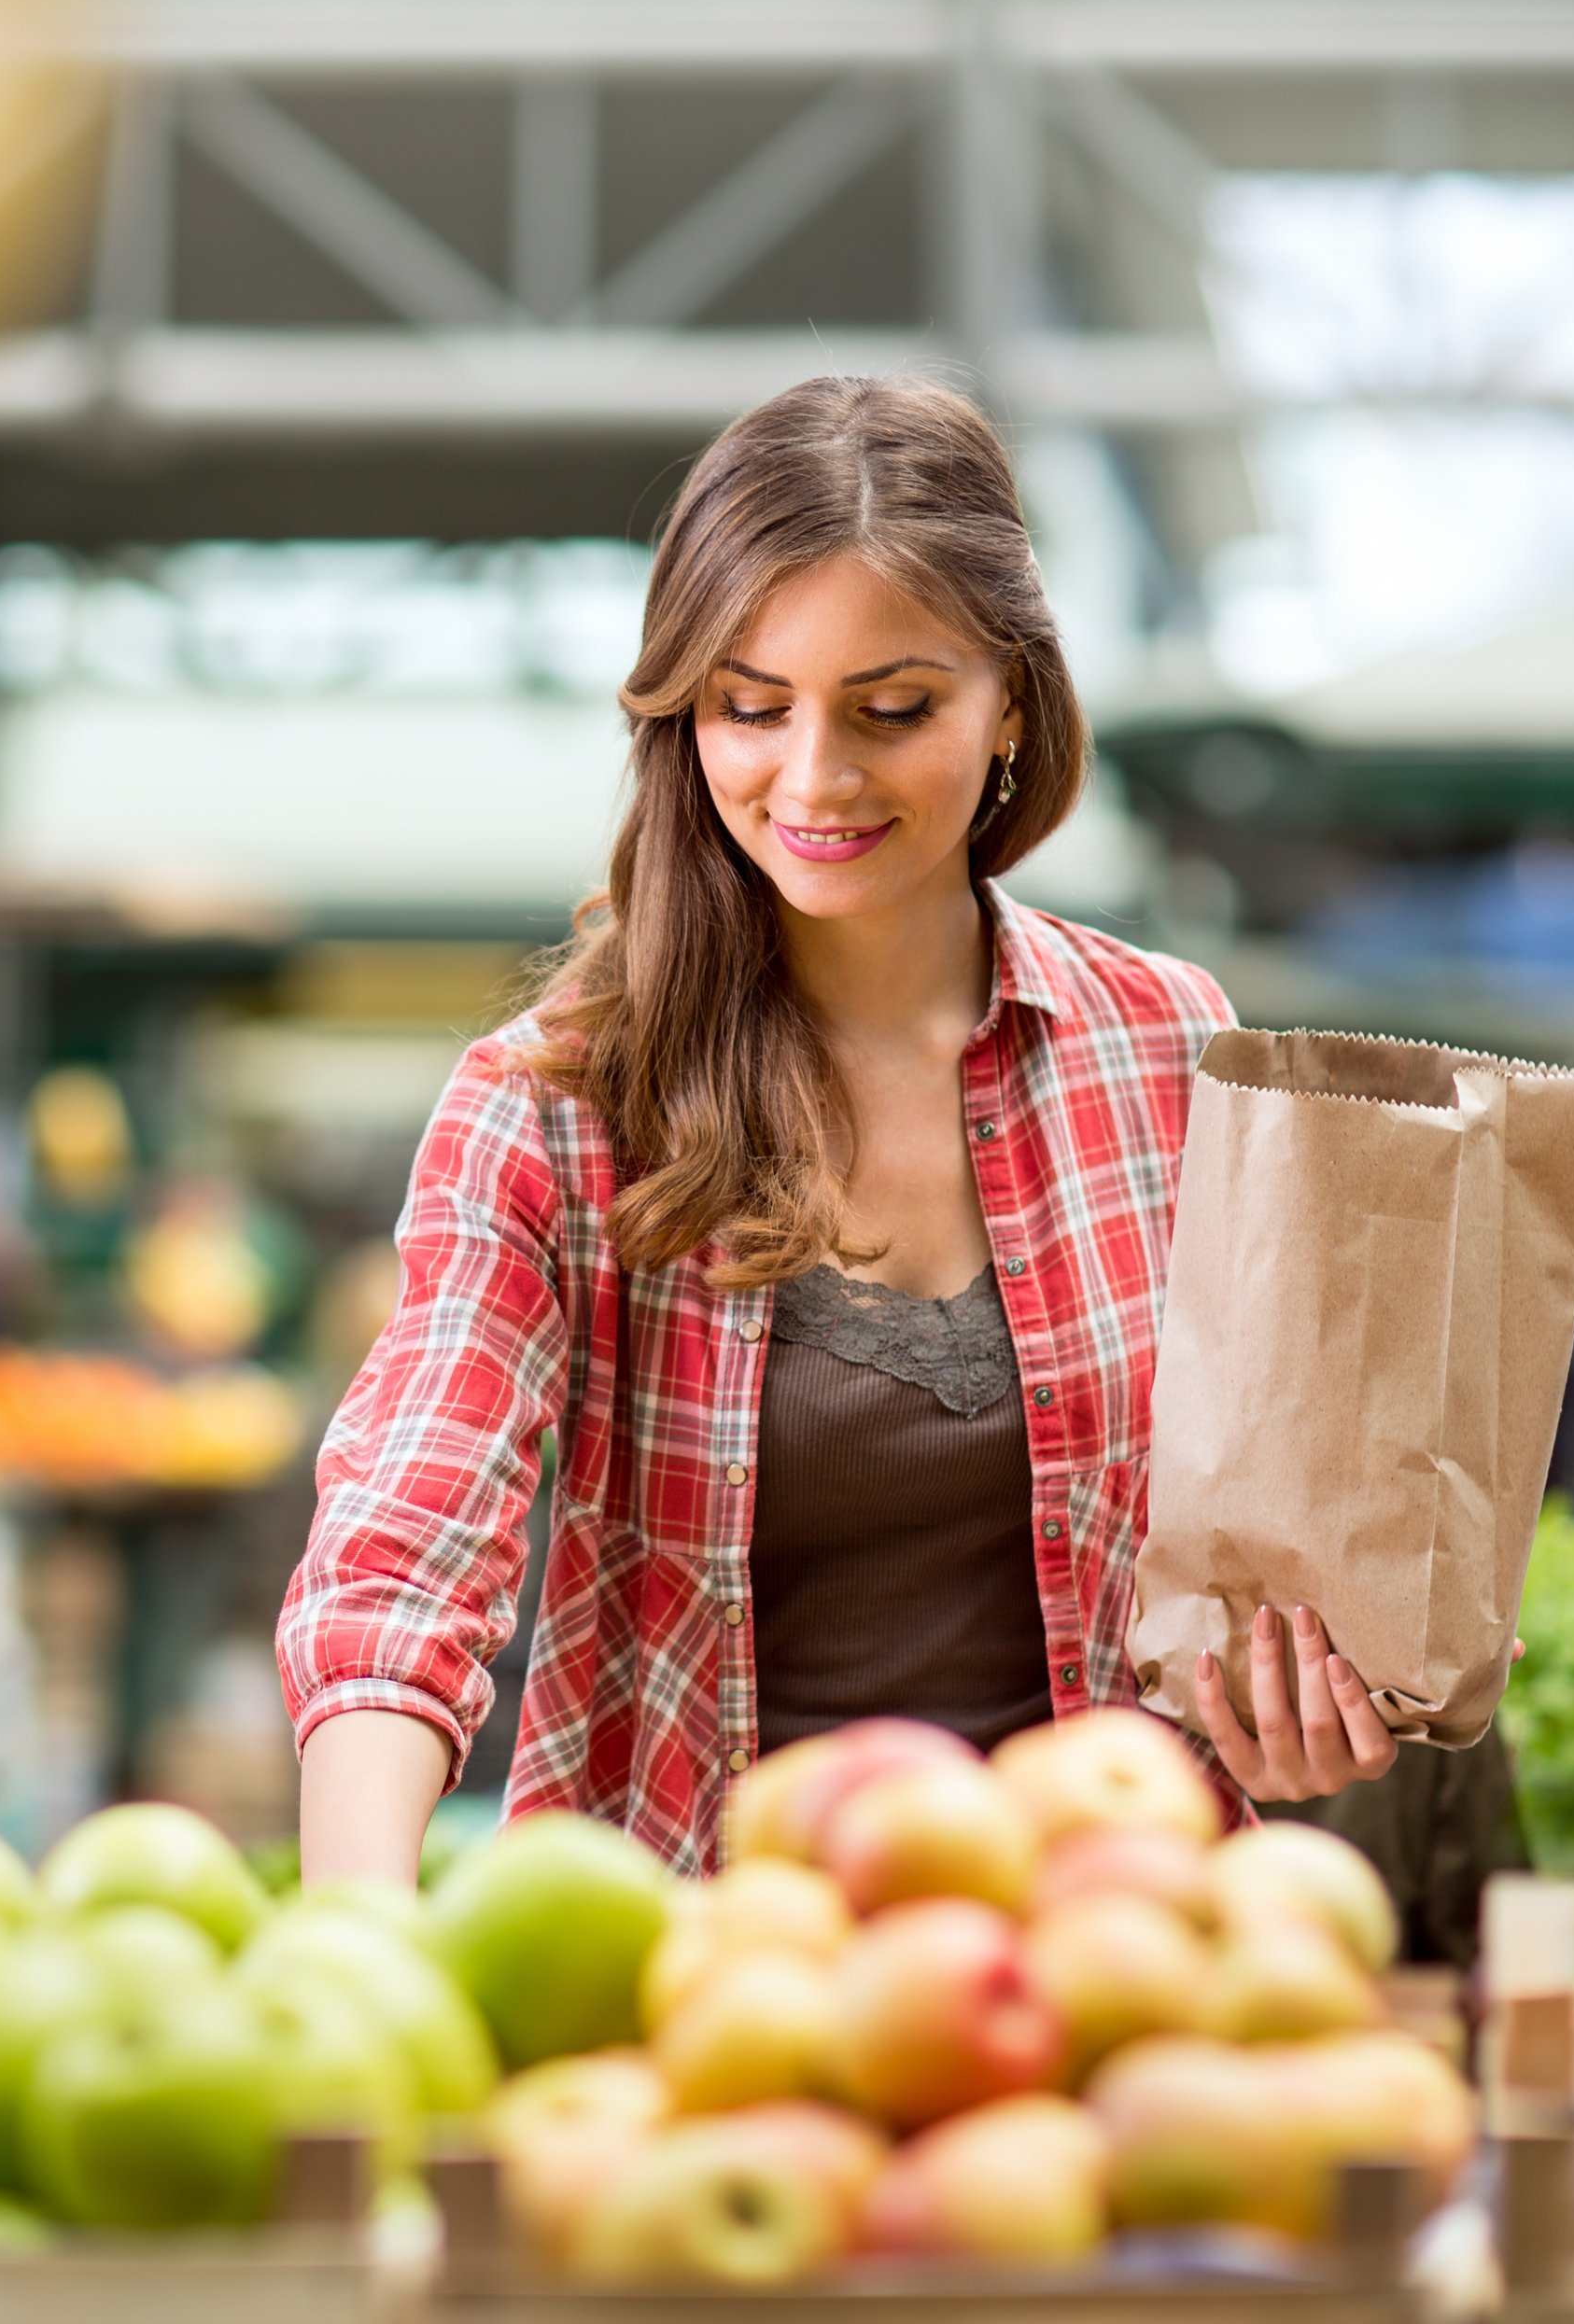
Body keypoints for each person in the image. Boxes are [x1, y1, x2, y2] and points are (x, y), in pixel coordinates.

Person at [276, 378, 1398, 1886]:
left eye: (893, 709)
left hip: (1106, 1959)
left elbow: (1281, 1549)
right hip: (704, 1979)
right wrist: (360, 1913)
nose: (812, 778)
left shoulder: (1168, 1051)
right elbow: (409, 1535)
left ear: (1011, 696)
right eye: (751, 706)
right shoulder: (558, 1101)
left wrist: (1314, 1696)